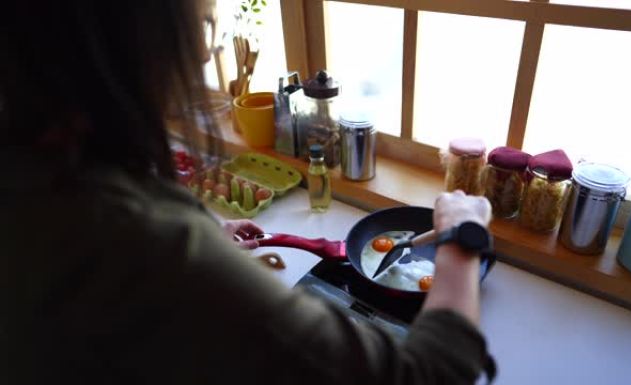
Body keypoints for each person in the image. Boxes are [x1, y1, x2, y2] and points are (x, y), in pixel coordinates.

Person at [1, 1, 496, 384]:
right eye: (194, 26)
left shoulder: (37, 159)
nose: (201, 46)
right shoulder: (145, 249)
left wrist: (207, 234)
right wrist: (462, 237)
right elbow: (427, 373)